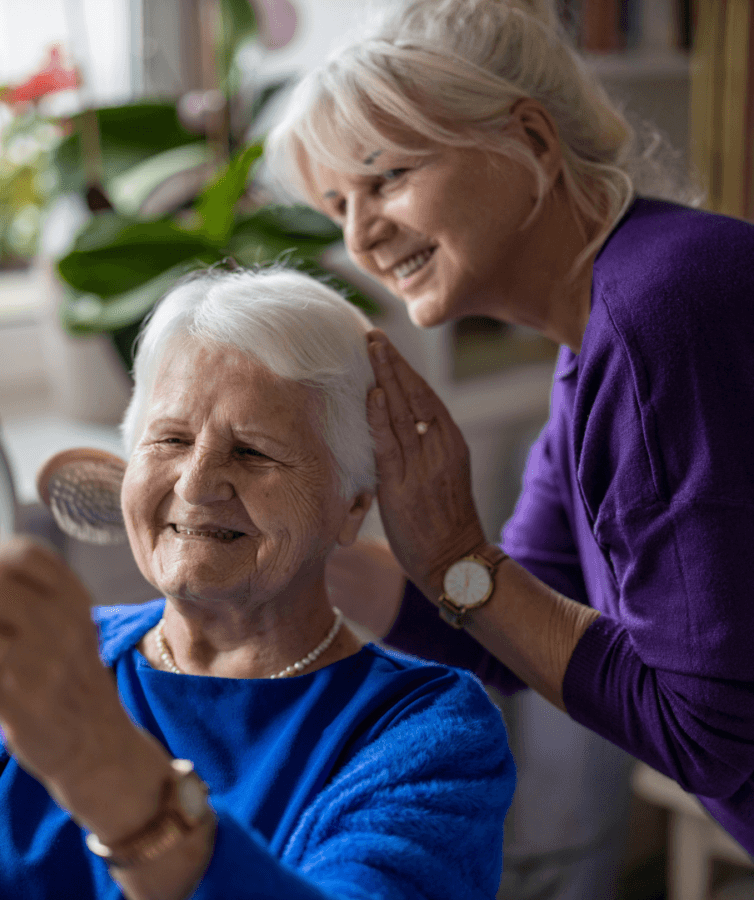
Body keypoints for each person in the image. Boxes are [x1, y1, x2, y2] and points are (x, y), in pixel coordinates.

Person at [0, 266, 514, 900]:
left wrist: (101, 766)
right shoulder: (42, 657)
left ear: (352, 505)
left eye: (253, 451)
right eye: (171, 439)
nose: (197, 483)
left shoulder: (426, 736)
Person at [265, 0, 754, 857]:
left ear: (530, 138)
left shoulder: (663, 314)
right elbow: (501, 623)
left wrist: (458, 552)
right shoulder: (599, 341)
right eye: (337, 204)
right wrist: (298, 543)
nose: (360, 235)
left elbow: (709, 733)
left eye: (385, 178)